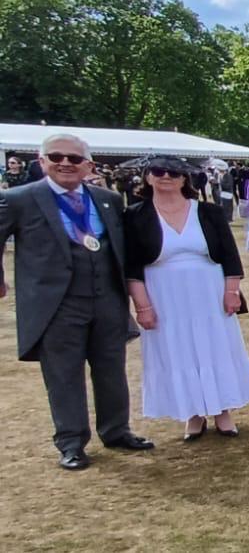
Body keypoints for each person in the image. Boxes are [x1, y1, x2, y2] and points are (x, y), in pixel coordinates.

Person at [0, 134, 154, 470]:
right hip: (56, 305)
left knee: (112, 370)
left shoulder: (108, 199)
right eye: (56, 156)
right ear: (42, 162)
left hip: (108, 300)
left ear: (88, 164)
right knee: (64, 375)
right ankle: (71, 442)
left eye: (74, 158)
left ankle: (116, 430)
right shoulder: (19, 199)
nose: (65, 163)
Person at [124, 157, 249, 440]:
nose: (166, 177)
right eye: (158, 172)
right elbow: (132, 267)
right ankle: (193, 413)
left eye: (173, 172)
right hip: (163, 294)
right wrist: (143, 306)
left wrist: (231, 291)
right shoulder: (135, 215)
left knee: (216, 347)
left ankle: (223, 411)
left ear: (184, 179)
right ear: (147, 178)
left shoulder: (208, 212)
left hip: (208, 291)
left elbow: (229, 256)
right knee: (178, 350)